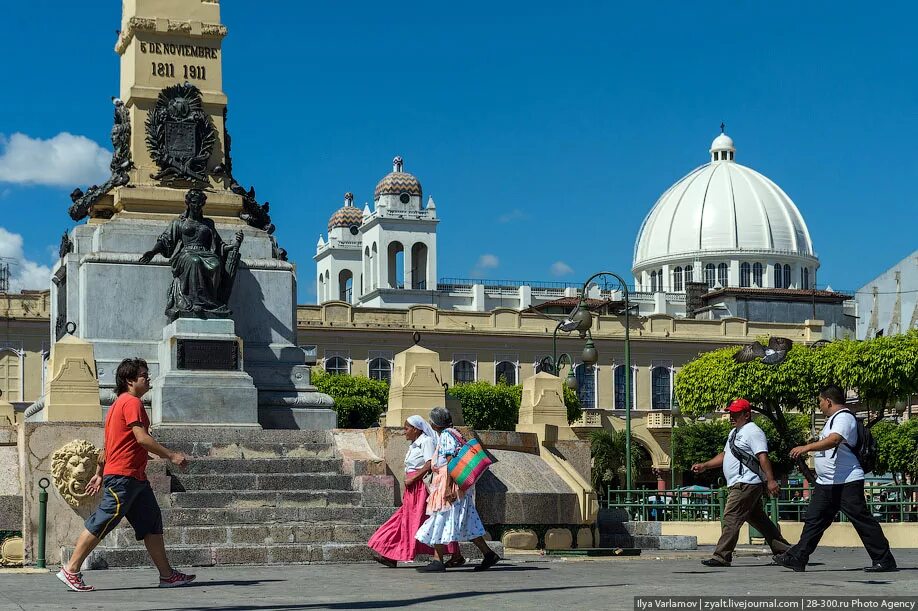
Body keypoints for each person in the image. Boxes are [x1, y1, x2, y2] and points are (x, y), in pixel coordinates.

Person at [57, 358, 196, 592]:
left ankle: (167, 575)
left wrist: (101, 473)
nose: (148, 378)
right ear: (130, 380)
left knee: (151, 522)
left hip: (134, 478)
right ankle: (70, 570)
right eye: (144, 375)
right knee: (104, 520)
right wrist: (170, 455)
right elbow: (141, 438)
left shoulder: (116, 406)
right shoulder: (132, 403)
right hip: (123, 477)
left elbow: (108, 447)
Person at [773, 385, 897, 573]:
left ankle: (884, 560)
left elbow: (834, 440)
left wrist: (806, 448)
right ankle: (798, 558)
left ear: (828, 401)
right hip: (827, 483)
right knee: (814, 520)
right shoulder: (833, 420)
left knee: (861, 520)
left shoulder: (844, 418)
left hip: (846, 481)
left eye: (820, 402)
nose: (820, 405)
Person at [692, 398, 791, 567]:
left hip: (746, 483)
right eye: (730, 413)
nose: (731, 416)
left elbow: (762, 457)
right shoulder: (734, 433)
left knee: (731, 517)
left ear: (747, 415)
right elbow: (725, 456)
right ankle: (787, 552)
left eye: (735, 414)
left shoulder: (753, 431)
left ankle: (721, 556)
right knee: (759, 520)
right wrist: (705, 466)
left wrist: (771, 480)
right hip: (739, 483)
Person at [415, 407, 500, 572]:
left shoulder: (446, 436)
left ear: (435, 424)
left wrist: (447, 488)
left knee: (439, 517)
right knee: (467, 521)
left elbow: (450, 464)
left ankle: (437, 560)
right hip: (459, 487)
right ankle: (488, 554)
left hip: (449, 486)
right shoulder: (456, 433)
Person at [368, 416, 460, 567]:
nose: (404, 432)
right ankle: (392, 554)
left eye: (406, 429)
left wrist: (413, 479)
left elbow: (429, 464)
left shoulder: (426, 442)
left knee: (422, 520)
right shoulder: (415, 444)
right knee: (407, 520)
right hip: (412, 487)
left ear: (416, 429)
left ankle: (455, 552)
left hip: (420, 487)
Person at [139, 189, 243, 321]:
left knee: (216, 265)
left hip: (206, 253)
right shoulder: (179, 223)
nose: (197, 206)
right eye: (194, 202)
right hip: (186, 253)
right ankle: (195, 302)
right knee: (194, 262)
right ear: (188, 203)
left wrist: (235, 244)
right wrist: (153, 252)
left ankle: (209, 302)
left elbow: (219, 245)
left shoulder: (208, 223)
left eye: (200, 203)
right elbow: (165, 240)